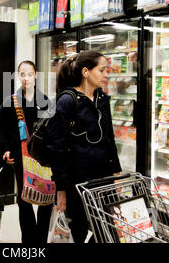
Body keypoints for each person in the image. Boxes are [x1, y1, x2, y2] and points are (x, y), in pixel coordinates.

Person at [45, 51, 122, 243]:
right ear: (86, 72)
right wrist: (60, 188)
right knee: (76, 230)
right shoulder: (67, 101)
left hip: (102, 177)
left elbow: (109, 138)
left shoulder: (102, 99)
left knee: (107, 228)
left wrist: (116, 173)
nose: (106, 74)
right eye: (102, 70)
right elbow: (57, 148)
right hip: (75, 181)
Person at [0, 61, 53, 244]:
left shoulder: (45, 101)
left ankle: (40, 240)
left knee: (46, 200)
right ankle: (29, 241)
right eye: (22, 74)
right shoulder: (12, 101)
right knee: (25, 201)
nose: (26, 78)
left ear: (36, 75)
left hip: (43, 159)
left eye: (29, 74)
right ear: (18, 76)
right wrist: (6, 148)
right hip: (20, 158)